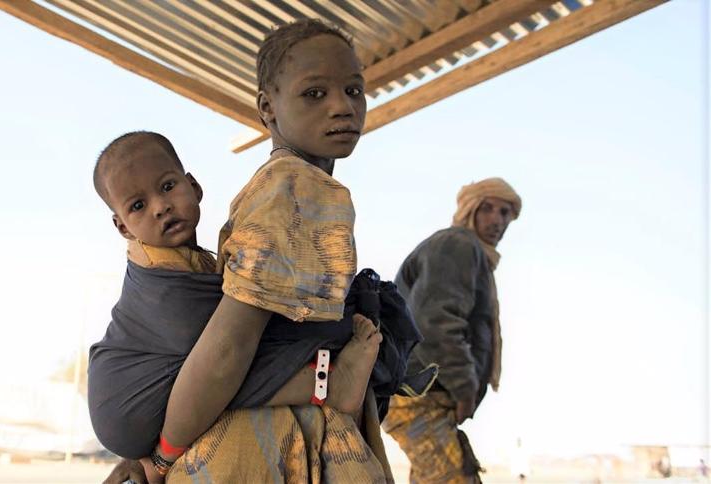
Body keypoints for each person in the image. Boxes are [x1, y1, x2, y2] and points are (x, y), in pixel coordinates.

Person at [105, 18, 401, 483]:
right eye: (314, 94)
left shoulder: (279, 185)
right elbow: (227, 347)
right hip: (266, 450)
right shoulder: (295, 187)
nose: (342, 106)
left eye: (354, 90)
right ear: (268, 107)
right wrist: (161, 458)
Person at [88, 131, 383, 460]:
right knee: (227, 359)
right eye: (138, 206)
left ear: (194, 188)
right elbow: (224, 350)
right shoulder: (160, 282)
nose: (160, 207)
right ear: (124, 228)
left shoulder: (192, 260)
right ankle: (326, 383)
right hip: (128, 404)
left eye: (168, 186)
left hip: (138, 408)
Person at [382, 177, 522, 483]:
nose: (497, 220)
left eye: (505, 213)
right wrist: (465, 387)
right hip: (418, 397)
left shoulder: (471, 254)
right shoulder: (459, 244)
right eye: (488, 209)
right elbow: (436, 323)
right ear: (470, 210)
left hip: (425, 395)